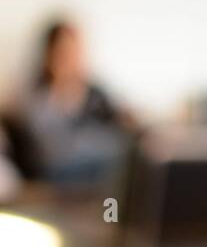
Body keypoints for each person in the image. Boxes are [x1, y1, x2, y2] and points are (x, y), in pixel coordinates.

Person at [16, 20, 132, 189]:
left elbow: (120, 125)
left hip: (101, 178)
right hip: (59, 179)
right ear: (49, 55)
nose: (72, 59)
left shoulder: (95, 93)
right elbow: (52, 154)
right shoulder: (36, 96)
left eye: (76, 52)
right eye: (64, 53)